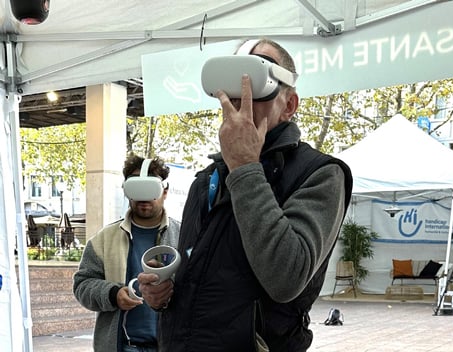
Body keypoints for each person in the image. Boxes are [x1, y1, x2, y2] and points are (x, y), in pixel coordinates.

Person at [139, 38, 353, 352]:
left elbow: (286, 278)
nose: (242, 95)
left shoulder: (320, 174)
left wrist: (244, 166)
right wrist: (164, 294)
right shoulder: (206, 179)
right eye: (233, 81)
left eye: (256, 80)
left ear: (289, 105)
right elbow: (193, 263)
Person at [73, 154, 180, 352]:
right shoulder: (104, 239)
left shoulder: (185, 236)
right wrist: (113, 295)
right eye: (136, 185)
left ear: (165, 191)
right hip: (122, 347)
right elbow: (82, 285)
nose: (144, 196)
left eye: (150, 186)